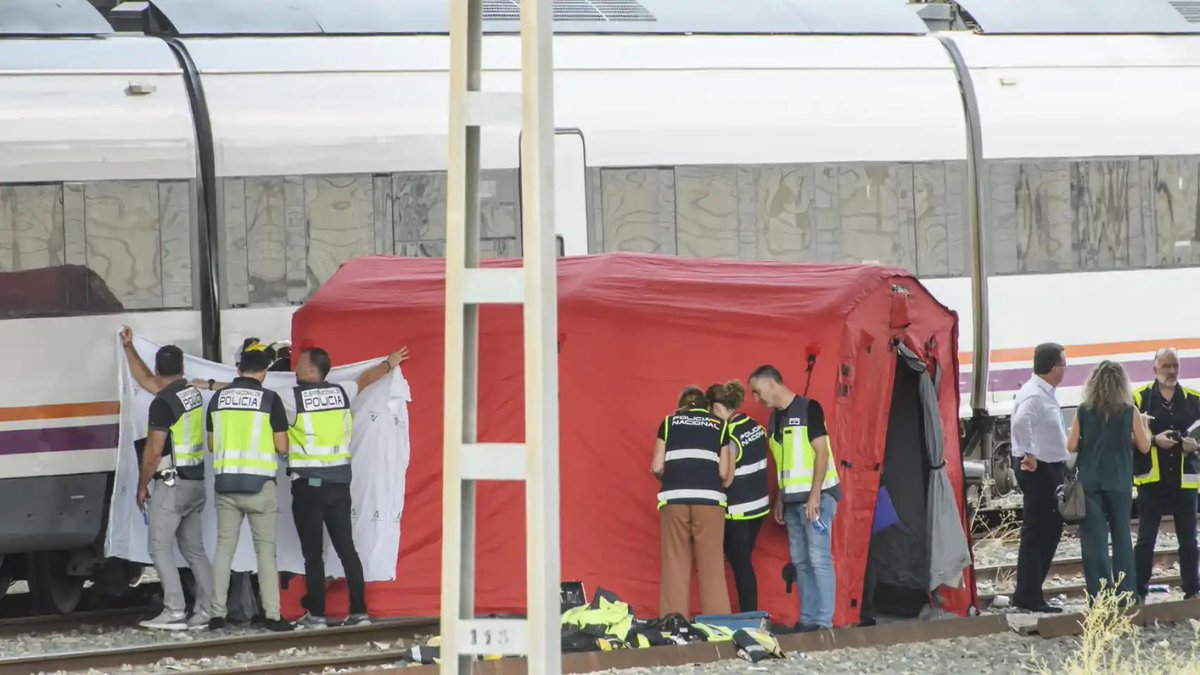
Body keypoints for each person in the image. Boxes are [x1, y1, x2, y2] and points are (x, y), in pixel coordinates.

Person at [279, 346, 407, 628]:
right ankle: (359, 612)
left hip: (308, 486)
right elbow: (365, 379)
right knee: (347, 548)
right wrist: (389, 364)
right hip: (339, 484)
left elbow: (262, 397)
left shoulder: (290, 398)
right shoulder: (341, 392)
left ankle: (318, 616)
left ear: (313, 370)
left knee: (313, 554)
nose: (295, 369)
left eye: (300, 364)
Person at [119, 327, 214, 630]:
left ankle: (174, 611)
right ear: (182, 369)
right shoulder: (190, 393)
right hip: (196, 483)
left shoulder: (162, 403)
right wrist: (129, 348)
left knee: (159, 548)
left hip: (172, 485)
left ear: (159, 368)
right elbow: (145, 380)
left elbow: (152, 452)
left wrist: (143, 485)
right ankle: (207, 610)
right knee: (194, 550)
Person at [204, 343, 292, 631]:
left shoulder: (218, 399)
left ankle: (216, 614)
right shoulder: (270, 400)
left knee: (223, 550)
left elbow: (211, 444)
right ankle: (272, 615)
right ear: (264, 372)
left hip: (226, 486)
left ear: (238, 369)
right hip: (260, 487)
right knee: (265, 552)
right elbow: (281, 446)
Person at [748, 365, 839, 631]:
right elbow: (782, 462)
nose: (755, 399)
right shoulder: (775, 418)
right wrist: (779, 498)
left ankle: (823, 622)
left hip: (816, 498)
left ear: (771, 383)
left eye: (756, 391)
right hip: (791, 500)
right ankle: (809, 620)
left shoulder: (810, 408)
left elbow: (821, 452)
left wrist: (815, 495)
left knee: (818, 558)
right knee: (800, 560)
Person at [1069, 360, 1152, 602]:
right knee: (1122, 537)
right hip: (1119, 482)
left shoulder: (1083, 410)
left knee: (1094, 541)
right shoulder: (1130, 411)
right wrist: (1143, 426)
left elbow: (1071, 445)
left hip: (1090, 483)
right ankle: (1126, 594)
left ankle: (1100, 596)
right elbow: (1145, 447)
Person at [651, 386, 734, 617]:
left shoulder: (668, 423)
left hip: (674, 499)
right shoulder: (720, 426)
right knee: (712, 565)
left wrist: (670, 475)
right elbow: (724, 472)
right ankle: (718, 626)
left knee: (675, 562)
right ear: (706, 406)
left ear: (681, 406)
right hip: (709, 500)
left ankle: (673, 625)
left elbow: (657, 466)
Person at [1132, 348, 1200, 601]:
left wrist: (1196, 446)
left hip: (1186, 480)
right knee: (1146, 540)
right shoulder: (1139, 399)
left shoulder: (1194, 398)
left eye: (1175, 366)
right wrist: (1153, 440)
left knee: (1189, 540)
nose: (1171, 371)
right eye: (1166, 366)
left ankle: (1192, 590)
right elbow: (1125, 436)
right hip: (1153, 481)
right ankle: (1139, 590)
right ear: (1155, 368)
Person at [1009, 343, 1069, 613]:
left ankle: (1031, 591)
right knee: (1039, 531)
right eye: (1063, 364)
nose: (1065, 369)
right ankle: (1029, 595)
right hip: (1040, 469)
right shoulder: (1035, 394)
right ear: (1053, 367)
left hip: (1049, 467)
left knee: (1050, 529)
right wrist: (1029, 454)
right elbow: (1021, 422)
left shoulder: (1041, 391)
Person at [706, 380, 769, 613]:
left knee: (741, 566)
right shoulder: (754, 425)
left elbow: (727, 478)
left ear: (716, 407)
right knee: (742, 561)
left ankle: (749, 616)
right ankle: (749, 615)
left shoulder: (730, 434)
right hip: (760, 507)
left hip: (739, 511)